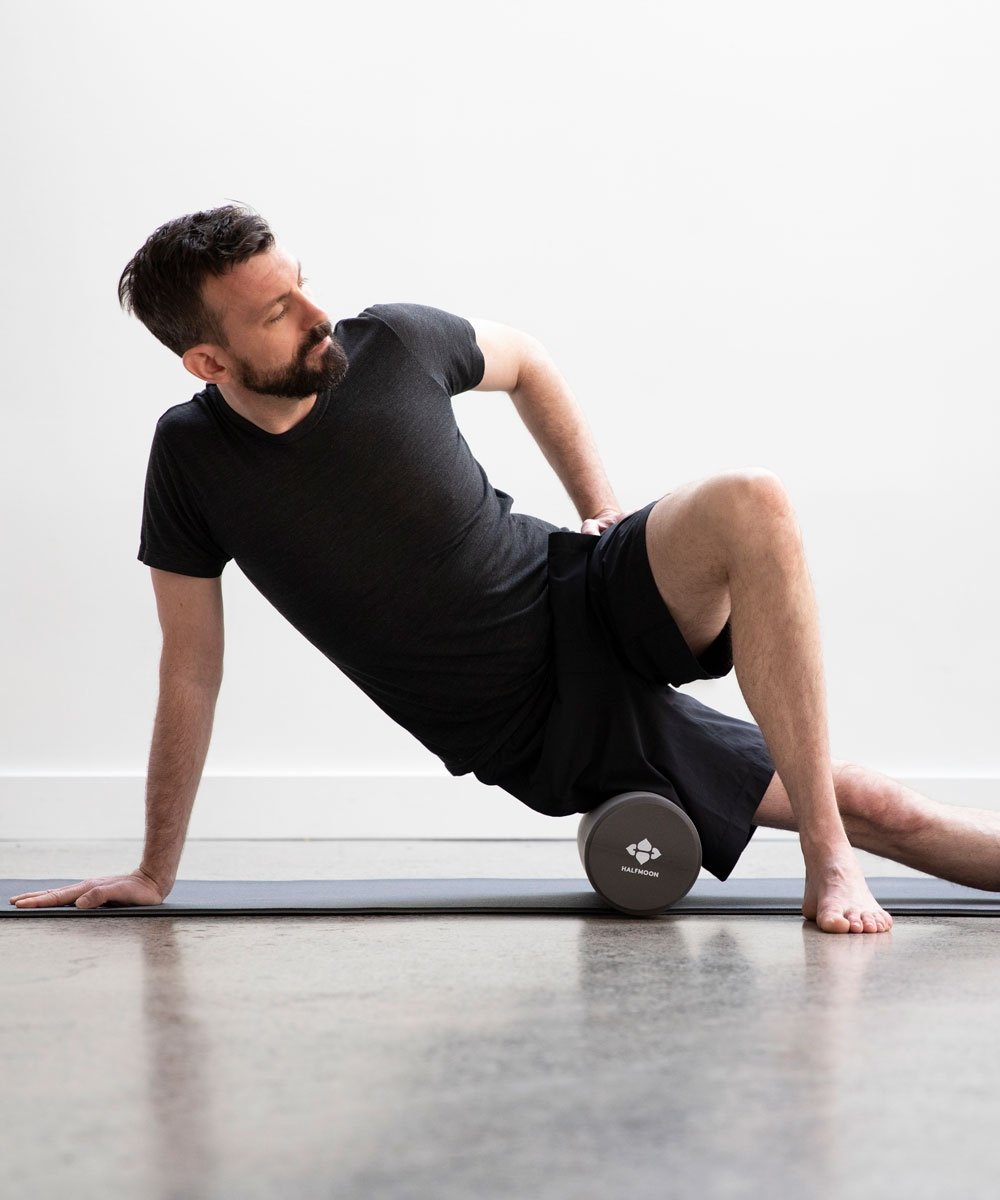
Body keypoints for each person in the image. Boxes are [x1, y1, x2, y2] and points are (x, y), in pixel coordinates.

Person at [9, 205, 996, 932]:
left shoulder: (390, 342)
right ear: (208, 363)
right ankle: (846, 843)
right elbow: (190, 666)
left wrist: (599, 509)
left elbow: (524, 360)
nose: (317, 312)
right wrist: (154, 867)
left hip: (581, 588)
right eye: (275, 313)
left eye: (303, 279)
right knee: (882, 807)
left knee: (754, 497)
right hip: (542, 723)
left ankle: (830, 868)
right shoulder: (192, 463)